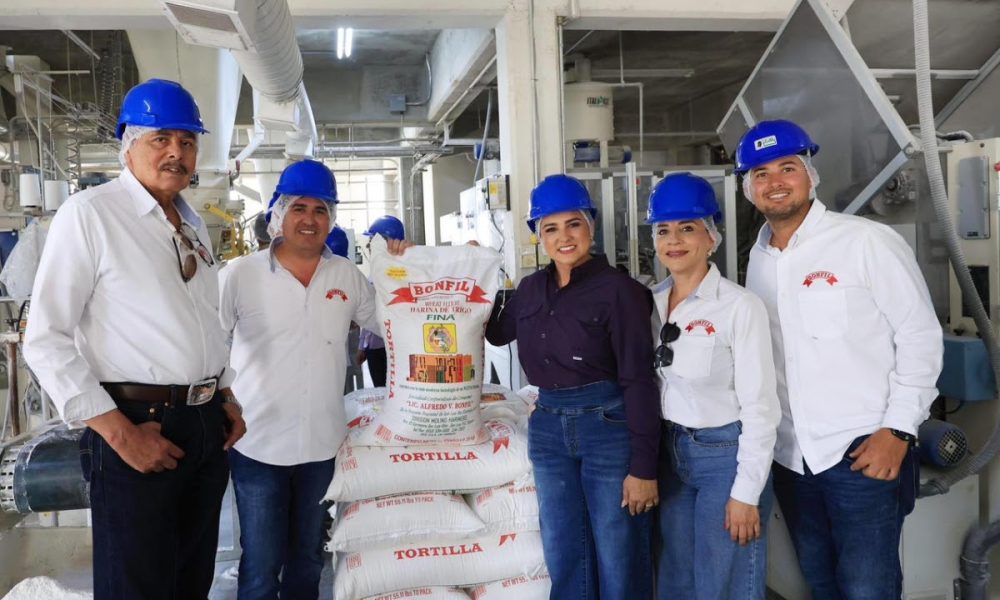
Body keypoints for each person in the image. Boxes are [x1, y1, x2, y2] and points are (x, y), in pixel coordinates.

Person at [23, 78, 246, 600]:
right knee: (137, 587)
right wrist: (121, 436)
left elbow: (202, 321)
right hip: (137, 423)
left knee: (191, 581)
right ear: (128, 144)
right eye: (160, 138)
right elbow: (45, 338)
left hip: (203, 425)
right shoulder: (92, 215)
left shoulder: (190, 223)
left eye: (187, 141)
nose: (176, 152)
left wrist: (225, 396)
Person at [738, 120, 943, 598]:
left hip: (861, 452)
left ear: (810, 174)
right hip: (792, 458)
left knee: (869, 588)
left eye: (787, 168)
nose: (775, 182)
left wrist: (898, 430)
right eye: (761, 173)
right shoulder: (759, 259)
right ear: (749, 189)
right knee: (820, 583)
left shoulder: (865, 242)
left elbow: (919, 335)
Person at [219, 159, 399, 600]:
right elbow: (209, 344)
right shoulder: (240, 275)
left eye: (321, 210)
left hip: (321, 445)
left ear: (331, 219)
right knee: (261, 563)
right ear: (279, 213)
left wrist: (403, 270)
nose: (310, 219)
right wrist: (221, 402)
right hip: (257, 442)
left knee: (307, 558)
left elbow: (392, 322)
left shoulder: (345, 275)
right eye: (299, 208)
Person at [485, 174, 659, 599]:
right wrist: (475, 271)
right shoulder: (530, 289)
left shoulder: (621, 292)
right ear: (538, 235)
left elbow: (639, 380)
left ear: (591, 226)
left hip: (607, 426)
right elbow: (495, 333)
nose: (563, 237)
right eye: (550, 228)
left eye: (573, 224)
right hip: (548, 427)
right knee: (563, 547)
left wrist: (644, 467)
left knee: (617, 547)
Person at [647, 173, 780, 599]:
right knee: (676, 579)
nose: (674, 240)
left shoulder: (739, 307)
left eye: (687, 228)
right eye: (663, 230)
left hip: (724, 456)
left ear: (711, 237)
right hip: (670, 454)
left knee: (723, 582)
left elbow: (761, 405)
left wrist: (746, 492)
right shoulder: (650, 303)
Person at [356, 215, 405, 387]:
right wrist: (363, 346)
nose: (368, 246)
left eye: (372, 241)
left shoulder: (402, 273)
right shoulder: (375, 272)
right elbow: (369, 311)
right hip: (374, 347)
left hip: (390, 346)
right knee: (381, 390)